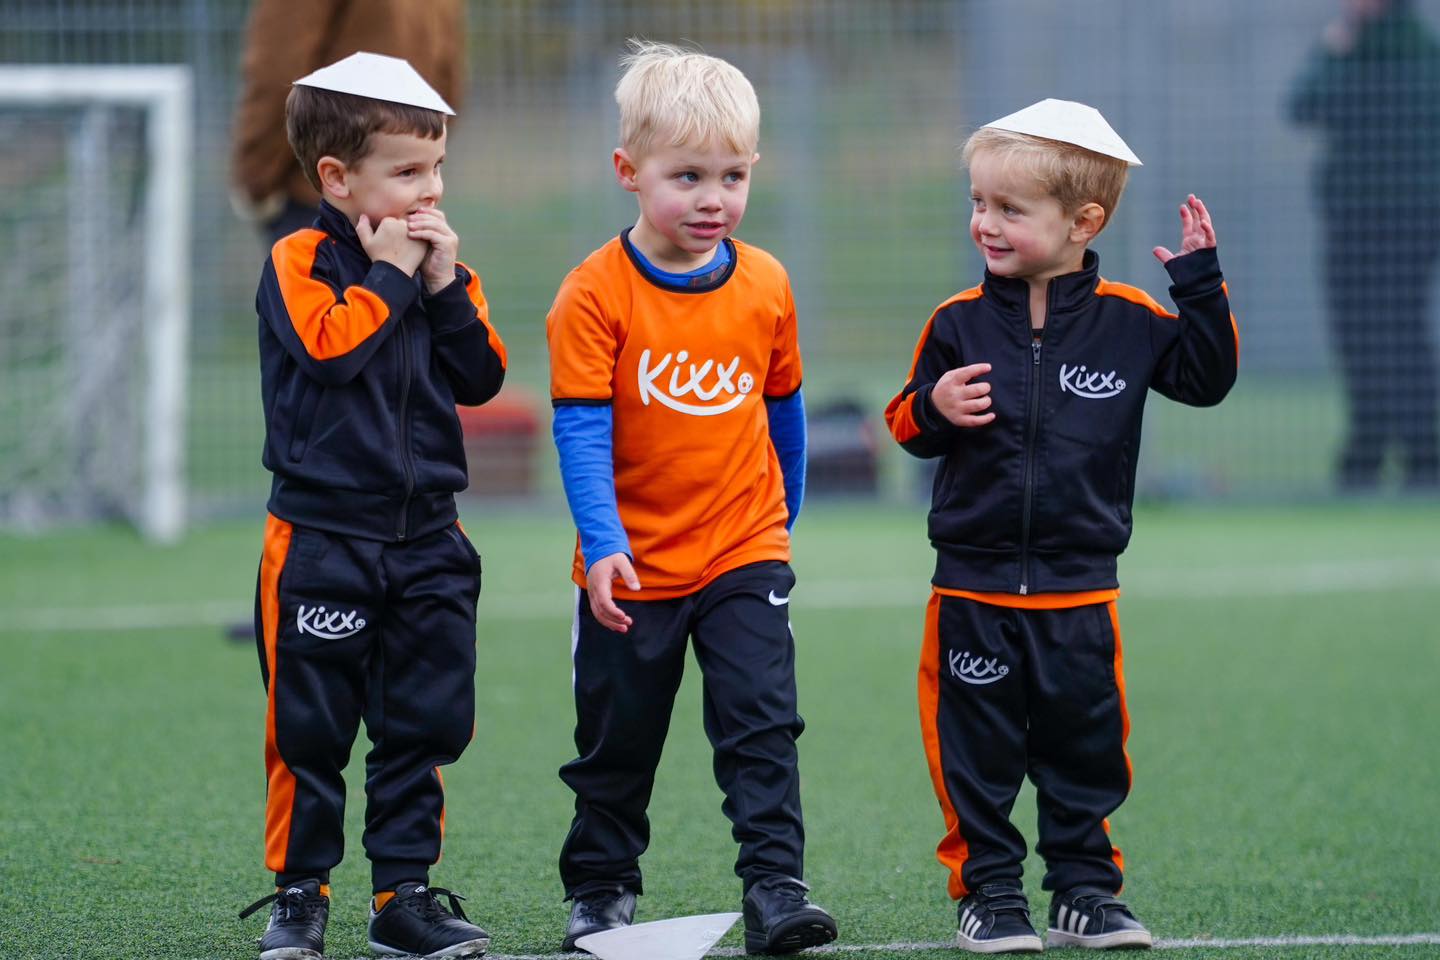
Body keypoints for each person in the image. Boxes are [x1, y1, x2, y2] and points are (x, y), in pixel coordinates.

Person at [883, 99, 1239, 953]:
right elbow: (902, 422)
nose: (984, 224)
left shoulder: (1129, 320)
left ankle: (1085, 891)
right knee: (978, 757)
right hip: (971, 589)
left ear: (1085, 221)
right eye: (978, 203)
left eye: (1009, 209)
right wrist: (932, 408)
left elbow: (1206, 378)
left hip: (1081, 594)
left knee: (1086, 752)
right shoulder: (955, 321)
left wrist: (1199, 283)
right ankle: (991, 895)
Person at [544, 40, 837, 957]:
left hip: (743, 548)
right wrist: (603, 544)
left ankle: (776, 890)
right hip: (631, 563)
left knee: (761, 722)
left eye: (733, 175)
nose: (713, 199)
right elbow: (582, 432)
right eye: (688, 177)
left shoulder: (767, 284)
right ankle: (600, 886)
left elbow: (782, 410)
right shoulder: (593, 295)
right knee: (617, 740)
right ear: (629, 173)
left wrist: (779, 525)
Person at [235, 52, 506, 960]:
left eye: (436, 169)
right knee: (309, 731)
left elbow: (483, 376)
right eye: (407, 172)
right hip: (322, 539)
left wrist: (443, 288)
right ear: (338, 179)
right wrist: (389, 277)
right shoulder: (299, 258)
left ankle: (405, 896)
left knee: (422, 725)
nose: (429, 190)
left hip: (428, 537)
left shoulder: (435, 266)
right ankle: (299, 897)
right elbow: (330, 351)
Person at [1288, 0, 1440, 491]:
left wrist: (1335, 52)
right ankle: (1402, 454)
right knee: (1380, 336)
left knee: (1385, 337)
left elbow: (1309, 103)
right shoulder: (1411, 48)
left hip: (1387, 223)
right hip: (1375, 222)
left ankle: (1401, 455)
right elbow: (1301, 107)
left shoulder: (1398, 50)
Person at [230, 0, 465, 246]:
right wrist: (418, 160)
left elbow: (277, 66)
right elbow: (447, 72)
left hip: (321, 191)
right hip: (403, 199)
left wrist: (256, 178)